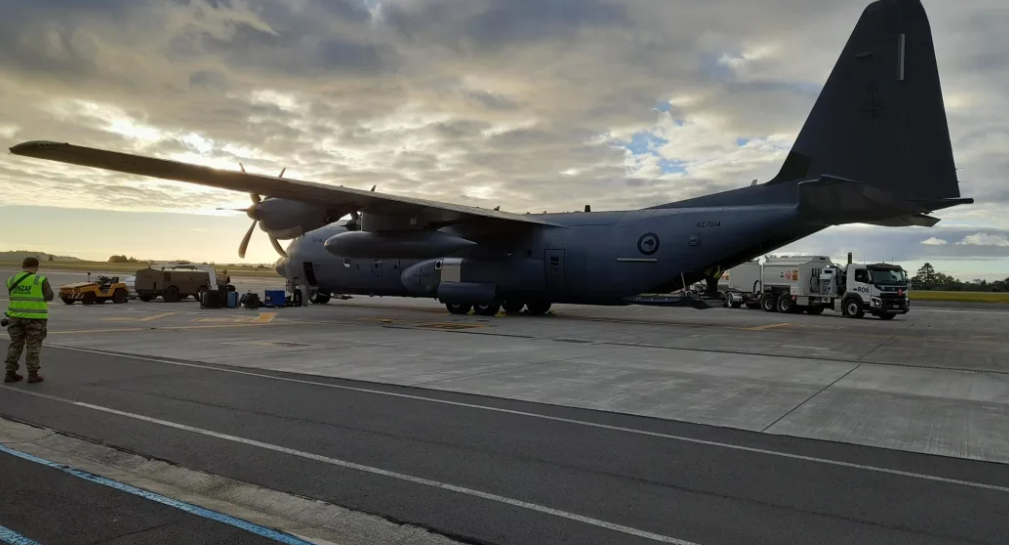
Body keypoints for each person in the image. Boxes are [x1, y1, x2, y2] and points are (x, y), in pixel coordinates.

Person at [4, 257, 54, 383]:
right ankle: (33, 374)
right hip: (35, 318)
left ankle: (10, 372)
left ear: (23, 266)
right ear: (36, 267)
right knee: (33, 346)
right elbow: (49, 296)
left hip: (15, 317)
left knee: (15, 344)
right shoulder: (40, 279)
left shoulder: (11, 280)